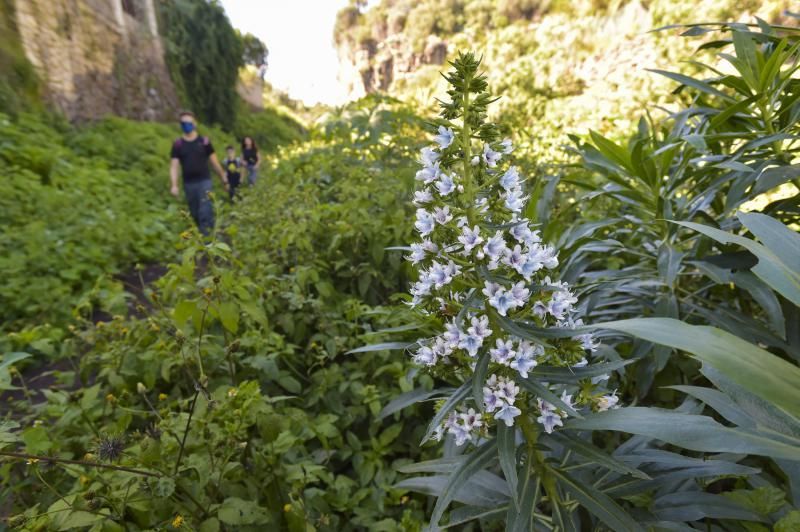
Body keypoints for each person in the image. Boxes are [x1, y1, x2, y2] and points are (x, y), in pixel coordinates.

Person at [169, 111, 228, 235]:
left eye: (188, 123)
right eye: (183, 123)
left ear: (194, 123)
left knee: (205, 211)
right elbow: (174, 166)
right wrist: (174, 185)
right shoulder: (178, 145)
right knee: (195, 213)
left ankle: (209, 243)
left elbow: (214, 162)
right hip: (189, 184)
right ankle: (203, 239)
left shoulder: (204, 142)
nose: (186, 125)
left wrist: (223, 177)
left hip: (204, 181)